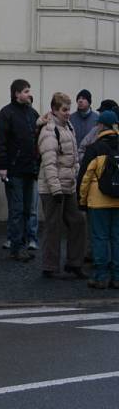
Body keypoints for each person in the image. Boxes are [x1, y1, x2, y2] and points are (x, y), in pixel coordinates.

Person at [37, 93, 86, 279]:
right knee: (53, 226)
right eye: (64, 110)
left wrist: (75, 175)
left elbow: (72, 158)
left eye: (69, 109)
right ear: (55, 110)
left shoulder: (69, 127)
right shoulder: (49, 131)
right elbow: (49, 164)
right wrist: (56, 189)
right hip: (53, 189)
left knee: (78, 222)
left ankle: (74, 263)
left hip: (68, 185)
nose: (68, 113)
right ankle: (49, 266)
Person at [0, 79, 41, 262]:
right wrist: (3, 166)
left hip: (30, 169)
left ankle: (22, 243)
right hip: (14, 170)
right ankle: (17, 247)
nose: (29, 94)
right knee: (17, 210)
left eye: (29, 90)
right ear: (16, 93)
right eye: (26, 91)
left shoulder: (32, 113)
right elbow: (1, 142)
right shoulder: (6, 114)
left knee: (27, 210)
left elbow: (37, 140)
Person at [78, 110, 119, 289]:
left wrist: (82, 200)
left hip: (99, 201)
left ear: (100, 126)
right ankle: (117, 277)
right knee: (117, 238)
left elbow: (85, 177)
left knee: (100, 238)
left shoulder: (95, 148)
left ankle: (101, 276)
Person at [78, 99, 119, 164]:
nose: (100, 115)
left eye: (102, 112)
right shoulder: (95, 130)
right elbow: (81, 150)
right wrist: (90, 160)